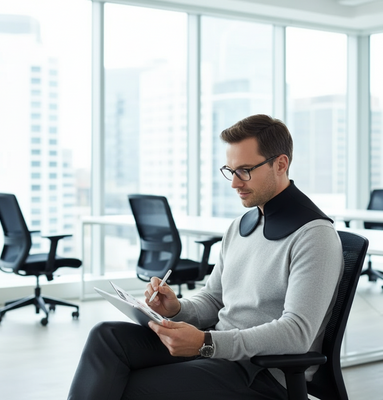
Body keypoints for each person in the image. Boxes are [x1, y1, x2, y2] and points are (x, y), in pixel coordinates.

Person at [67, 114, 344, 400]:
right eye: (231, 170)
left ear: (281, 164)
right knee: (107, 337)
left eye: (245, 170)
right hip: (219, 351)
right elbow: (213, 299)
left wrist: (206, 343)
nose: (235, 183)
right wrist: (176, 309)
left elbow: (296, 334)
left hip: (261, 374)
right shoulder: (239, 227)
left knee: (130, 386)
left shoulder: (315, 236)